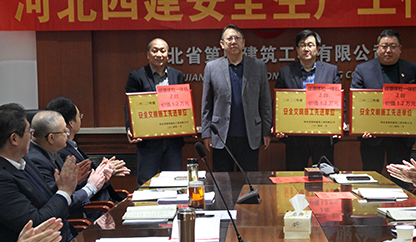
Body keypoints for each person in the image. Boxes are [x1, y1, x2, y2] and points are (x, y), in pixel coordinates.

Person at [0, 103, 78, 242]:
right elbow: (36, 223)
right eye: (30, 133)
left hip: (63, 237)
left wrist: (60, 186)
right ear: (14, 139)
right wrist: (64, 191)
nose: (32, 139)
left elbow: (41, 200)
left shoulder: (22, 159)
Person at [350, 29, 416, 182]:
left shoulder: (411, 69)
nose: (388, 50)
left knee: (401, 179)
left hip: (401, 134)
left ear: (400, 49)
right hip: (372, 135)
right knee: (371, 177)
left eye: (393, 46)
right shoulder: (363, 70)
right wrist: (361, 127)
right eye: (384, 46)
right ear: (377, 48)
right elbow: (356, 100)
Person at [201, 25, 272, 172]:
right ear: (222, 44)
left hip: (250, 135)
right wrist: (206, 133)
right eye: (229, 39)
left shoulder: (258, 66)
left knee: (248, 180)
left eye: (237, 38)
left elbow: (265, 101)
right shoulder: (211, 67)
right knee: (222, 180)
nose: (234, 42)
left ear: (243, 43)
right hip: (221, 135)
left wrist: (266, 131)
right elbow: (206, 104)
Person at [274, 30, 341, 170]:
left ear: (318, 49)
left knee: (325, 176)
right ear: (297, 49)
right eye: (302, 45)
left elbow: (339, 101)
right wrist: (278, 125)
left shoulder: (331, 71)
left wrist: (339, 124)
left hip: (322, 135)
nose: (306, 49)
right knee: (295, 176)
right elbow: (278, 102)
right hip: (295, 138)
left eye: (310, 45)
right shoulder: (286, 72)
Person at [25, 111, 110, 218]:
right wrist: (91, 187)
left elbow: (63, 189)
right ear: (51, 138)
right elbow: (58, 201)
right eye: (65, 131)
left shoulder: (52, 152)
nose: (68, 135)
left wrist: (78, 180)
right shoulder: (36, 161)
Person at [125, 38, 185, 186]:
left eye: (162, 51)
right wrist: (129, 128)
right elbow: (130, 104)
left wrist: (187, 124)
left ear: (168, 55)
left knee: (174, 183)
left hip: (172, 141)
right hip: (148, 141)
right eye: (155, 50)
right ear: (148, 54)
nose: (159, 54)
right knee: (146, 184)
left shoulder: (177, 75)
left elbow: (184, 103)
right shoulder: (136, 76)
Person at [47, 96, 130, 202]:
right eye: (79, 116)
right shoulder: (61, 151)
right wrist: (103, 173)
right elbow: (79, 184)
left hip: (107, 200)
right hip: (96, 206)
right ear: (71, 123)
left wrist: (104, 169)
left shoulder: (71, 145)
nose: (81, 119)